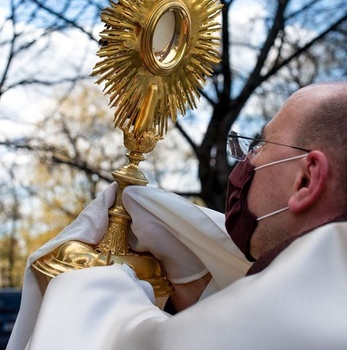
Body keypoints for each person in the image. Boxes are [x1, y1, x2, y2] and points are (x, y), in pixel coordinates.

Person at [7, 82, 347, 349]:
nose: (247, 161)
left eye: (260, 146)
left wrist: (91, 286)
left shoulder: (310, 306)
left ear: (306, 178)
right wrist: (210, 291)